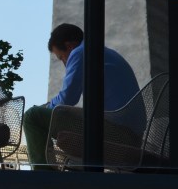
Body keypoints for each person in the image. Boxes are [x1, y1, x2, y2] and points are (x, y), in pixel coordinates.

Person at [23, 23, 141, 169]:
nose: (64, 64)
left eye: (61, 57)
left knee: (32, 116)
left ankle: (43, 179)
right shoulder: (106, 53)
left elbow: (67, 99)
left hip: (117, 134)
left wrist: (46, 108)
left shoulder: (80, 52)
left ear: (70, 46)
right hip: (133, 137)